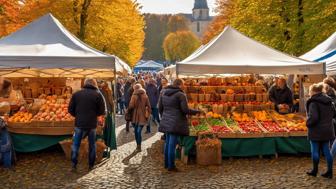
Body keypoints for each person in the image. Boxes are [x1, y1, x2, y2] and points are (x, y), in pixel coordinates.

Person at [159, 78, 200, 171]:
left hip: (166, 120)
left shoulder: (163, 92)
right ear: (180, 85)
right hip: (175, 122)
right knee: (172, 144)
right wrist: (196, 111)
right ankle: (171, 166)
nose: (184, 86)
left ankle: (166, 164)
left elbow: (160, 108)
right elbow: (185, 110)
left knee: (168, 143)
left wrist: (164, 117)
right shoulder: (181, 95)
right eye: (183, 84)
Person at [68, 78, 106, 172]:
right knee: (92, 144)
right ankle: (91, 165)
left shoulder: (76, 94)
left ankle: (73, 164)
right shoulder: (97, 95)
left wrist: (78, 115)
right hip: (92, 124)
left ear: (85, 84)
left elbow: (70, 109)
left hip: (79, 123)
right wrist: (94, 115)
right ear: (94, 84)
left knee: (76, 144)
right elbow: (101, 111)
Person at [306, 83, 335, 179]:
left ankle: (314, 170)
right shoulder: (329, 101)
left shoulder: (313, 102)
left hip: (316, 130)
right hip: (328, 129)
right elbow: (334, 113)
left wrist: (307, 123)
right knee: (327, 150)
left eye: (310, 91)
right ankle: (329, 172)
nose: (309, 93)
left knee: (315, 150)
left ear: (313, 91)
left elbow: (314, 118)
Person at [128, 84, 151, 151]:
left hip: (135, 116)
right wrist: (147, 112)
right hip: (143, 116)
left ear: (135, 89)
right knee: (138, 131)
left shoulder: (133, 96)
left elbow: (131, 106)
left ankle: (138, 146)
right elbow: (149, 107)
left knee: (136, 131)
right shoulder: (145, 95)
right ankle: (139, 146)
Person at [0, 79, 15, 168]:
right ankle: (6, 164)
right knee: (5, 145)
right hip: (1, 124)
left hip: (2, 122)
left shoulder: (3, 96)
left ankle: (6, 163)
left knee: (5, 144)